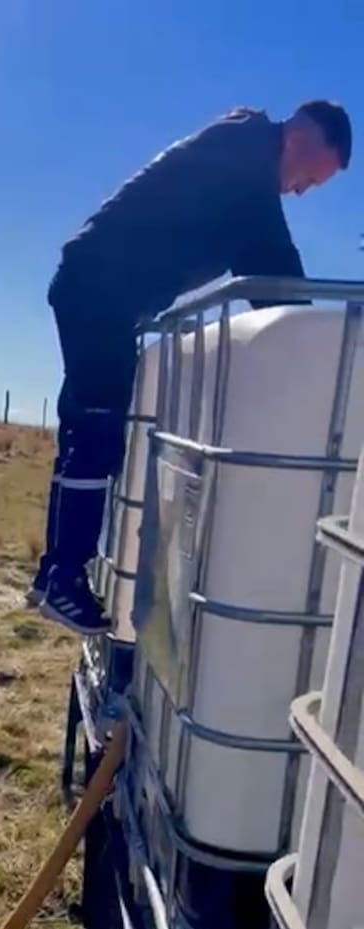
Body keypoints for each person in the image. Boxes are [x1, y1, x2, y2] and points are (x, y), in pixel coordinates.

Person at [32, 101, 352, 636]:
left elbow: (269, 267)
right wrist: (324, 349)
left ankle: (55, 576)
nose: (300, 191)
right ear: (299, 138)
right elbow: (277, 275)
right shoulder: (245, 164)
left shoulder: (241, 162)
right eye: (309, 179)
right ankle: (62, 578)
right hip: (99, 294)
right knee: (96, 434)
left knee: (86, 433)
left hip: (98, 291)